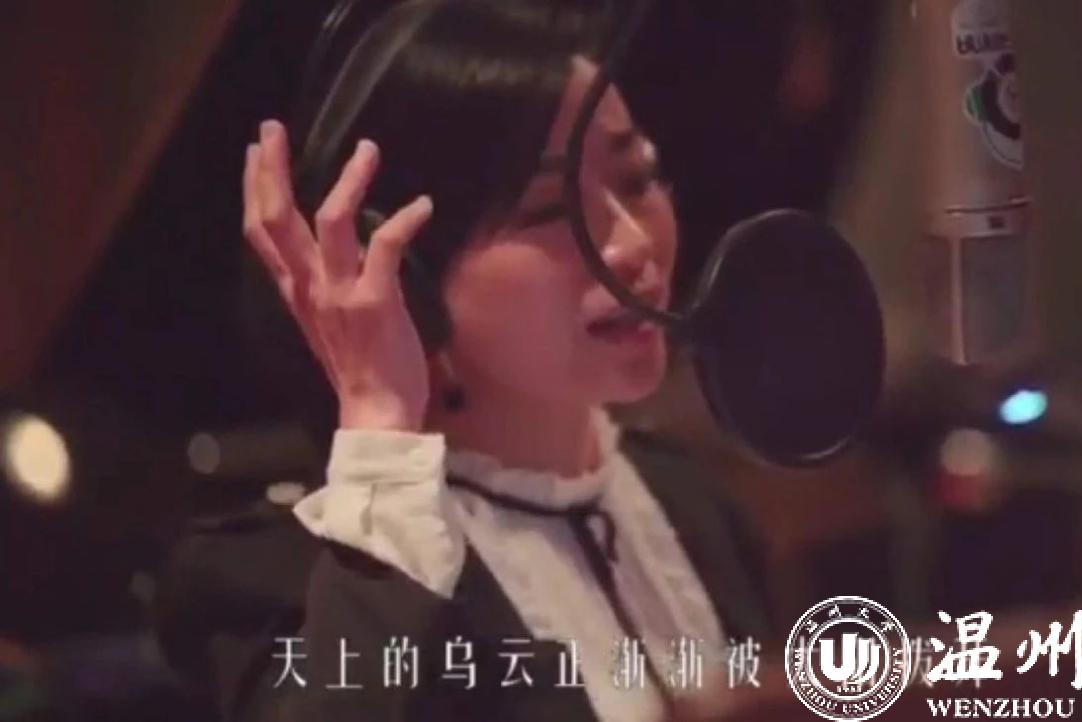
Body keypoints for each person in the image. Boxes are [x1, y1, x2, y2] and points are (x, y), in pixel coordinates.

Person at [154, 2, 774, 721]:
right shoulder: (278, 579)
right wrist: (380, 417)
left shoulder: (690, 505)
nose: (634, 244)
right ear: (405, 277)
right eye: (549, 212)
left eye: (637, 179)